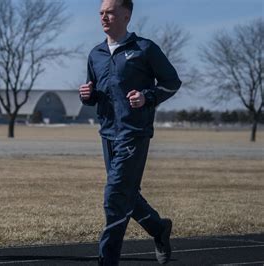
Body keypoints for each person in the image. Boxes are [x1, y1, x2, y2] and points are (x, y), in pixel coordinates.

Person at [79, 0, 181, 265]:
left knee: (114, 196)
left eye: (110, 12)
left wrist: (147, 97)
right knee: (127, 195)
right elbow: (97, 93)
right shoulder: (96, 54)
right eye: (101, 13)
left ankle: (107, 260)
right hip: (108, 134)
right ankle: (159, 229)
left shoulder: (144, 49)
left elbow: (172, 82)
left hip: (134, 133)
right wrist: (87, 96)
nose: (104, 17)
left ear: (126, 15)